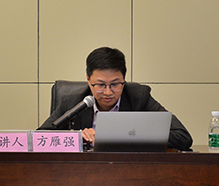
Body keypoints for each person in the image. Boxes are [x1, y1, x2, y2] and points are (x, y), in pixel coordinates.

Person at [38, 47, 193, 150]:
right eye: (100, 85)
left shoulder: (138, 97)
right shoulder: (73, 101)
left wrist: (125, 136)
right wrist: (78, 138)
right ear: (88, 79)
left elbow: (183, 137)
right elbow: (40, 138)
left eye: (115, 84)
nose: (108, 92)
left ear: (124, 79)